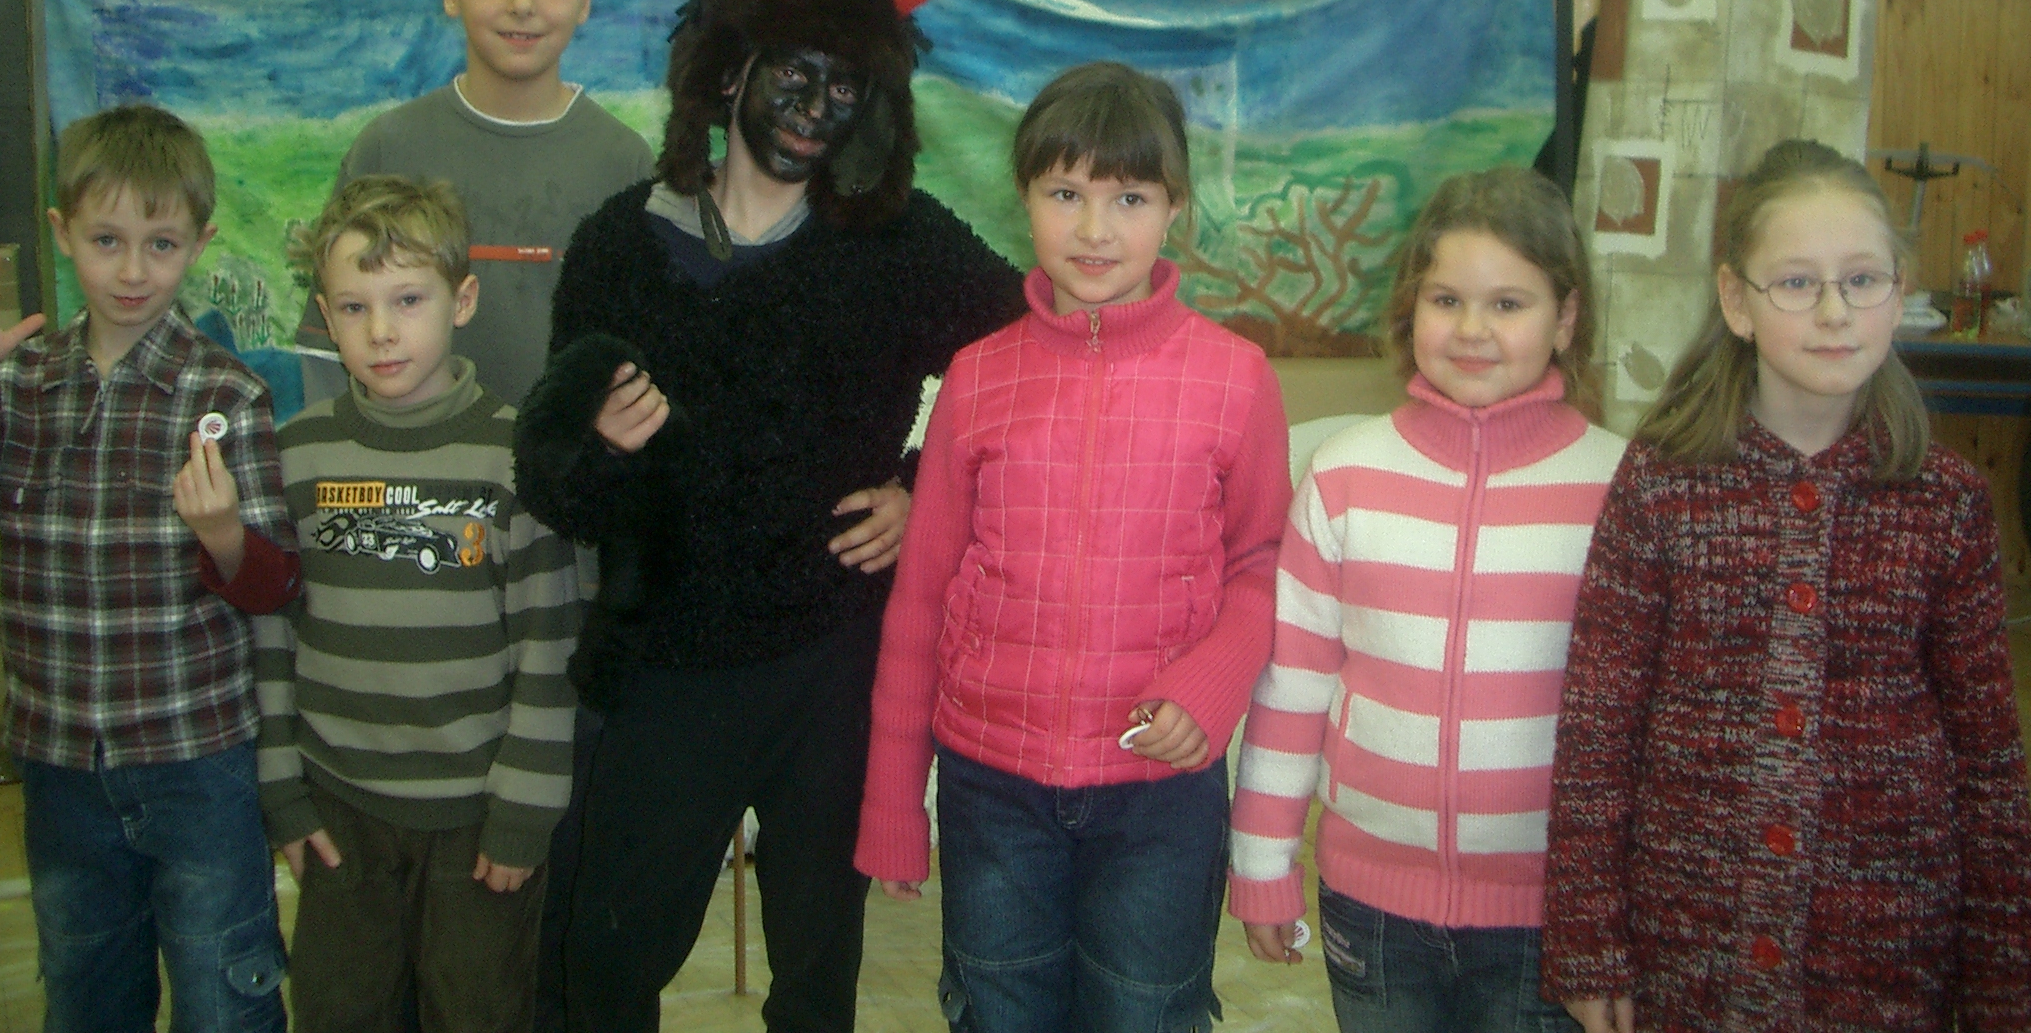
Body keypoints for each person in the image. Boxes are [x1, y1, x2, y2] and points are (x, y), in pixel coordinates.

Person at [512, 0, 1027, 1032]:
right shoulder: (620, 244)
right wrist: (599, 451)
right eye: (795, 73)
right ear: (732, 67)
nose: (814, 106)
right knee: (602, 965)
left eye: (844, 88)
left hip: (830, 661)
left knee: (815, 976)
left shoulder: (895, 243)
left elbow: (1022, 363)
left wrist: (923, 490)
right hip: (662, 662)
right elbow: (552, 480)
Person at [1540, 139, 2031, 1032]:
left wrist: (2002, 988)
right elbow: (1599, 730)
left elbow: (1990, 765)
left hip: (1885, 952)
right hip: (1689, 943)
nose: (1836, 312)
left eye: (1863, 280)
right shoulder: (1661, 483)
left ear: (1899, 292)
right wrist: (1587, 938)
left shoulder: (1948, 503)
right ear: (1737, 300)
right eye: (1798, 283)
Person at [855, 61, 1293, 1033]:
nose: (1094, 229)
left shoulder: (1237, 378)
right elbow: (921, 596)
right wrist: (893, 804)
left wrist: (1208, 688)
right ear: (1025, 199)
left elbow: (1261, 567)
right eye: (1065, 194)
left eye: (1128, 197)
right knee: (998, 1008)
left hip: (1159, 798)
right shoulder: (976, 378)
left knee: (1143, 1013)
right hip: (991, 793)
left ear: (1173, 209)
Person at [1226, 166, 1627, 1032]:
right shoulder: (1344, 475)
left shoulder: (1620, 488)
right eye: (1447, 300)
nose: (1473, 330)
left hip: (1550, 918)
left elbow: (1643, 726)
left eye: (1508, 304)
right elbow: (1293, 685)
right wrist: (1261, 864)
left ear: (1565, 319)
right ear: (1412, 311)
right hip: (1372, 909)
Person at [0, 105, 302, 1032]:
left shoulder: (227, 393)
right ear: (62, 233)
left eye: (160, 245)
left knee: (224, 993)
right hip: (58, 763)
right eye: (106, 241)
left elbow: (279, 585)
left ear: (199, 244)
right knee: (85, 993)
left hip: (197, 758)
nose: (132, 271)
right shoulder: (17, 387)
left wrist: (225, 536)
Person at [258, 175, 580, 1032]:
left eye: (408, 299)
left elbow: (548, 648)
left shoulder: (517, 458)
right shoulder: (296, 455)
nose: (382, 331)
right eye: (354, 307)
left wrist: (523, 815)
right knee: (338, 1012)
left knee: (476, 1012)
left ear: (461, 300)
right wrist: (282, 792)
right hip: (338, 811)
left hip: (477, 818)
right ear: (325, 320)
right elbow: (272, 638)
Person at [298, 0, 654, 410]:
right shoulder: (389, 146)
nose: (522, 4)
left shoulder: (624, 162)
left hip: (571, 460)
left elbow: (649, 351)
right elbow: (326, 350)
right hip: (410, 461)